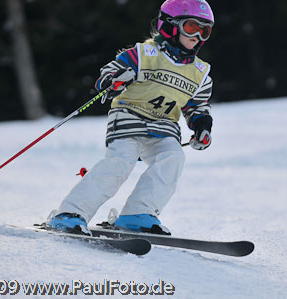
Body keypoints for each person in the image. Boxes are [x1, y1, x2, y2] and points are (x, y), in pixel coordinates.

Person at [45, 0, 215, 235]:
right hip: (129, 119)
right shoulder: (145, 54)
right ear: (170, 26)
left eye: (205, 30)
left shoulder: (200, 73)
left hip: (164, 127)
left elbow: (197, 106)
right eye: (191, 27)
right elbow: (109, 72)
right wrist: (114, 80)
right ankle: (71, 213)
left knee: (173, 158)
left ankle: (138, 214)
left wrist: (201, 125)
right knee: (119, 163)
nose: (198, 36)